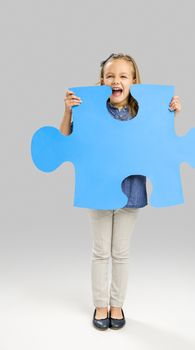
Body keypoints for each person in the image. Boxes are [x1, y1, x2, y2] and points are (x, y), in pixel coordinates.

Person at [59, 53, 181, 331]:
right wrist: (68, 110)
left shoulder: (143, 112)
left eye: (123, 76)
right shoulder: (90, 110)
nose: (116, 81)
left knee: (121, 252)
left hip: (131, 191)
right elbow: (65, 140)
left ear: (134, 81)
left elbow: (160, 144)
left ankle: (117, 304)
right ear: (102, 80)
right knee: (101, 251)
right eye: (110, 75)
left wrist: (170, 113)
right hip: (99, 190)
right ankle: (100, 304)